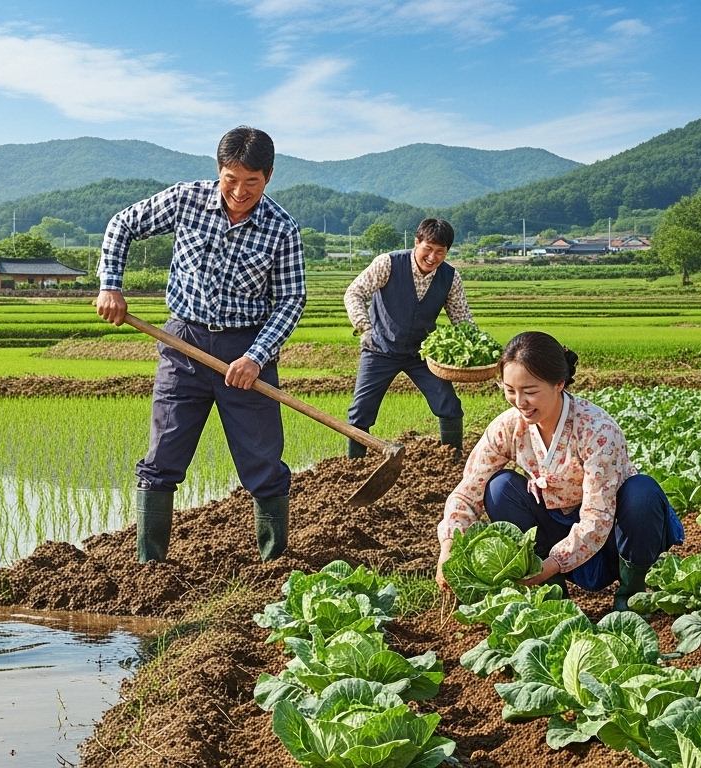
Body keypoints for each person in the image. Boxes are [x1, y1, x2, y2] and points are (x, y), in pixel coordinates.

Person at [95, 126, 305, 563]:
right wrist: (110, 286)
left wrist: (256, 356)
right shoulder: (187, 199)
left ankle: (274, 563)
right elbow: (122, 225)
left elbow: (290, 300)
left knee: (263, 464)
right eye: (232, 179)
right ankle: (149, 565)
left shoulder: (282, 228)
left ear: (268, 177)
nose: (240, 191)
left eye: (252, 182)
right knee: (162, 458)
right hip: (183, 344)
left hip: (245, 353)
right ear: (219, 170)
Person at [435, 332, 683, 610]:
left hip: (614, 533)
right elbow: (468, 493)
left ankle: (632, 596)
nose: (520, 402)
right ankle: (551, 599)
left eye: (530, 391)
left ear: (559, 384)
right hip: (554, 528)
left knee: (642, 492)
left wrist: (554, 563)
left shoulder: (597, 430)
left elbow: (597, 517)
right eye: (509, 390)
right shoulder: (507, 428)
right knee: (499, 488)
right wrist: (448, 547)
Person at [343, 217, 471, 459]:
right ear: (416, 243)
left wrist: (476, 351)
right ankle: (353, 467)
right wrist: (364, 327)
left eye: (440, 252)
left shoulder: (450, 278)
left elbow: (462, 319)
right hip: (379, 349)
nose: (433, 257)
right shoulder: (388, 264)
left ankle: (453, 462)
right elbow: (354, 293)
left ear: (447, 252)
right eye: (428, 249)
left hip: (421, 353)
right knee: (361, 411)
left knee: (449, 404)